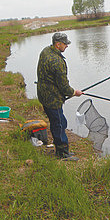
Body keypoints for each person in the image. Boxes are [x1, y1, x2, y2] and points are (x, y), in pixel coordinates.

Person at [37, 32, 83, 160]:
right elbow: (64, 87)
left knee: (58, 121)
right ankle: (62, 153)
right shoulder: (57, 61)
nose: (67, 46)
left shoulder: (46, 51)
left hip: (43, 94)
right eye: (65, 44)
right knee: (59, 124)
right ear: (58, 44)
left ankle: (60, 149)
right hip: (52, 99)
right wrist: (75, 92)